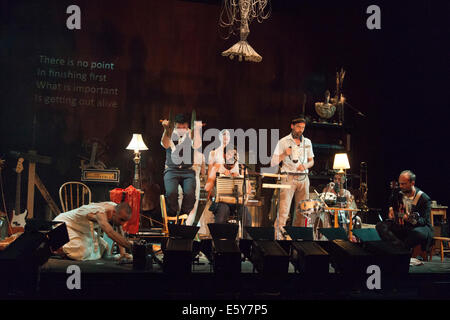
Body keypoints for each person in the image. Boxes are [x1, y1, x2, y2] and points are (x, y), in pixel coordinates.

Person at [271, 117, 314, 240]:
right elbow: (273, 162)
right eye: (298, 127)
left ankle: (297, 238)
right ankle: (278, 238)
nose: (301, 130)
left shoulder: (308, 142)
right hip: (288, 177)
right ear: (292, 126)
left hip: (304, 178)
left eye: (303, 128)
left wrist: (305, 165)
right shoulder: (283, 141)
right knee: (284, 210)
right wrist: (285, 153)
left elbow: (312, 161)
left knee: (302, 211)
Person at [204, 129, 252, 230]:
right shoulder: (217, 167)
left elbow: (248, 190)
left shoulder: (241, 169)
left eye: (234, 155)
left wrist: (238, 178)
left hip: (236, 202)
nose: (231, 157)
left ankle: (247, 243)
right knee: (223, 211)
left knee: (246, 215)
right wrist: (217, 177)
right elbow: (207, 188)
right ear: (224, 156)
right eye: (229, 154)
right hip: (221, 202)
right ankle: (219, 242)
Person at [53, 202, 133, 261]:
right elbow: (110, 232)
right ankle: (58, 248)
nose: (122, 223)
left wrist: (123, 253)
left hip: (82, 229)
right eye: (122, 220)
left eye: (125, 221)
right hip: (65, 224)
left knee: (103, 247)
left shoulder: (115, 208)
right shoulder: (100, 211)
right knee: (81, 251)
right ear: (114, 213)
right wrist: (130, 246)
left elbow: (119, 229)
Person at [376, 170, 433, 252]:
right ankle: (400, 248)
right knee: (380, 226)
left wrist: (412, 219)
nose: (401, 186)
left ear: (412, 183)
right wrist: (391, 209)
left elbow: (424, 221)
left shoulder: (423, 199)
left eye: (403, 184)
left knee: (417, 233)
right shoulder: (398, 192)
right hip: (403, 224)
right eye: (400, 183)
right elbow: (390, 201)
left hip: (418, 226)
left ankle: (400, 250)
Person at [160, 113, 202, 220]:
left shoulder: (190, 134)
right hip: (171, 170)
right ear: (174, 125)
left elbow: (197, 145)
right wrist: (166, 129)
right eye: (179, 127)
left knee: (190, 194)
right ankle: (172, 216)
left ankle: (183, 217)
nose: (181, 130)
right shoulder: (170, 133)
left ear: (187, 126)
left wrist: (196, 130)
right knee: (171, 193)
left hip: (187, 171)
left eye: (184, 127)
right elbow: (164, 144)